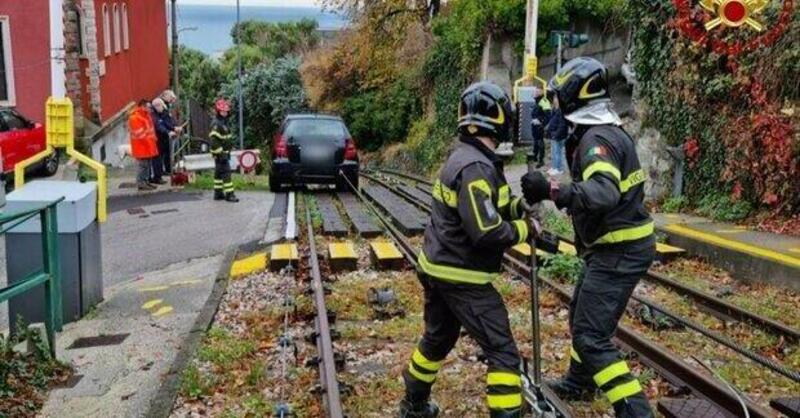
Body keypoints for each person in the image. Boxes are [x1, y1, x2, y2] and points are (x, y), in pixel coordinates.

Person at [520, 57, 655, 418]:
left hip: (619, 251)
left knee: (590, 336)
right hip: (613, 247)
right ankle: (580, 382)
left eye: (558, 102)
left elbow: (602, 193)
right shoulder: (602, 132)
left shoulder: (596, 140)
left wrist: (551, 190)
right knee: (583, 315)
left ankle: (636, 411)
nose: (554, 110)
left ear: (574, 102)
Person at [399, 82, 530, 418]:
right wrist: (526, 230)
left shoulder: (469, 157)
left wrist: (518, 208)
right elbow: (486, 231)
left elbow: (486, 205)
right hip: (462, 275)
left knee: (437, 340)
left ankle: (413, 406)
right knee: (502, 351)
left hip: (440, 266)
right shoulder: (476, 167)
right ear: (500, 120)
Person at [209, 98, 239, 203]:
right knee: (226, 173)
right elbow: (214, 141)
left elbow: (225, 138)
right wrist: (221, 153)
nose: (225, 113)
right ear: (218, 111)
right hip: (221, 154)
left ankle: (218, 193)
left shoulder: (223, 122)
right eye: (223, 111)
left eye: (226, 111)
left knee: (218, 174)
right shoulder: (217, 124)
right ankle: (230, 195)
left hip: (223, 153)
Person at [128, 99, 159, 191]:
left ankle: (145, 182)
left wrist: (152, 142)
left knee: (147, 165)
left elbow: (150, 131)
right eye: (149, 107)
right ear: (143, 106)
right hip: (141, 146)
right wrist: (150, 141)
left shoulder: (146, 116)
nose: (151, 109)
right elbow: (140, 134)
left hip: (148, 145)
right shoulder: (135, 118)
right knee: (142, 166)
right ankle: (141, 183)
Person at [152, 97, 182, 176]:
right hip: (157, 139)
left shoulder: (162, 112)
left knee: (167, 155)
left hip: (164, 138)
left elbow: (167, 122)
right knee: (158, 158)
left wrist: (174, 127)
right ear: (157, 106)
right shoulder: (154, 115)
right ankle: (158, 176)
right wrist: (168, 132)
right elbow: (159, 126)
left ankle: (167, 170)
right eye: (161, 106)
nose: (163, 107)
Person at [528, 87, 552, 170]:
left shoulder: (544, 101)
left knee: (540, 142)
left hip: (539, 126)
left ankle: (541, 160)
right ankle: (535, 157)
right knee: (535, 142)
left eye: (537, 91)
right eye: (535, 91)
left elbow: (548, 115)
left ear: (541, 92)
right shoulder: (537, 101)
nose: (534, 92)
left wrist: (541, 122)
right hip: (534, 125)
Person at [546, 97, 568, 176]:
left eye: (556, 99)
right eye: (554, 99)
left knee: (557, 152)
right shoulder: (555, 110)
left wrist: (556, 134)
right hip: (553, 134)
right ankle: (554, 167)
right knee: (553, 152)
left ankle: (559, 169)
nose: (554, 101)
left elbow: (562, 124)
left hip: (558, 135)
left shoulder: (561, 110)